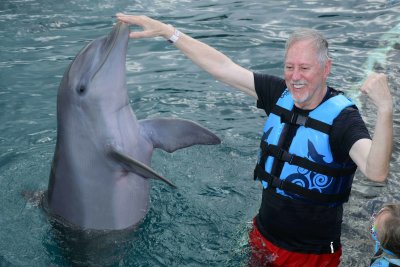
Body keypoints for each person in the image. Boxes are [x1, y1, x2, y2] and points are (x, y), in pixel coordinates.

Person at [116, 13, 394, 266]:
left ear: (326, 68)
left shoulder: (343, 120)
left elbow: (376, 170)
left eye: (305, 68)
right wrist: (169, 32)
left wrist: (384, 109)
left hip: (309, 254)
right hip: (262, 235)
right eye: (289, 67)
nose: (295, 77)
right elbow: (222, 68)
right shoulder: (279, 95)